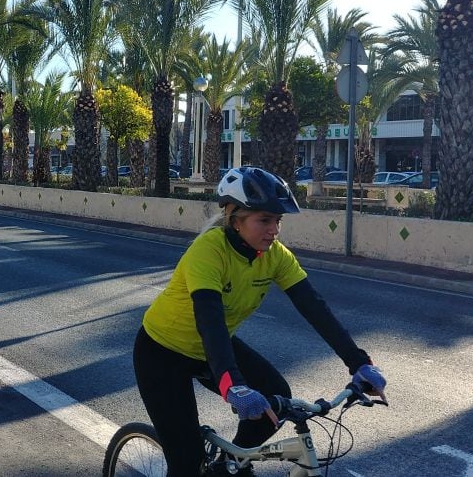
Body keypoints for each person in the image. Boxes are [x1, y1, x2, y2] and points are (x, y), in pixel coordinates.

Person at [133, 166, 387, 477]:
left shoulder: (275, 256)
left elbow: (315, 308)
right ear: (234, 219)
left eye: (277, 220)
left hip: (212, 349)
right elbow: (209, 319)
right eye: (264, 220)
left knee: (275, 396)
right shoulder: (209, 250)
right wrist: (234, 385)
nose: (274, 229)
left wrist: (359, 362)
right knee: (186, 461)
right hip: (163, 353)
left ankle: (228, 465)